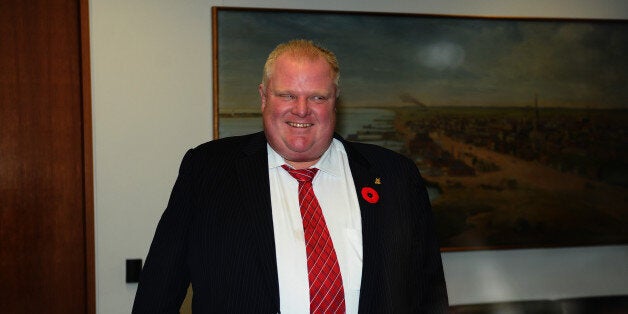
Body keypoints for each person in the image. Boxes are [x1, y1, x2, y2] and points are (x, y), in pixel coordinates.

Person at [132, 39, 449, 313]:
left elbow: (428, 295)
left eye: (317, 97)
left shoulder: (394, 175)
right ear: (263, 96)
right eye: (287, 95)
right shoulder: (207, 169)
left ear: (335, 100)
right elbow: (158, 291)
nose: (301, 110)